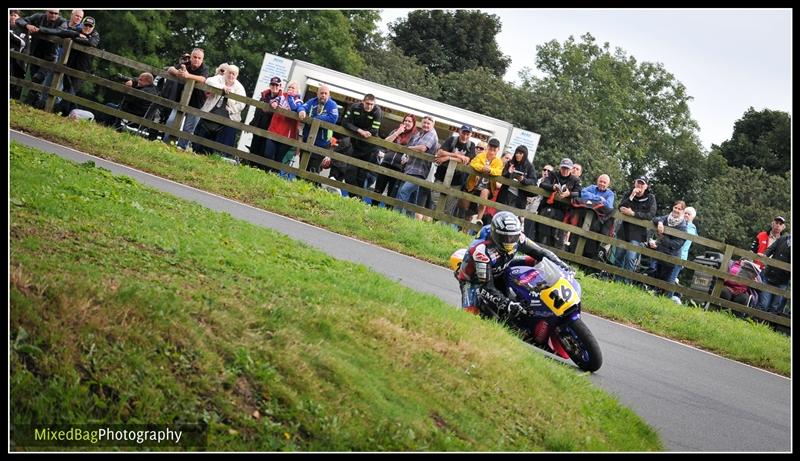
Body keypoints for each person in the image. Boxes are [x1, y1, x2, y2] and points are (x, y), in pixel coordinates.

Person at [455, 211, 572, 316]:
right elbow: (486, 286)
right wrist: (507, 304)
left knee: (535, 261)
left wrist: (562, 266)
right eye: (505, 237)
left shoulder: (519, 237)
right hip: (475, 280)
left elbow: (540, 252)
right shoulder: (481, 250)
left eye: (512, 237)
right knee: (470, 314)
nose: (510, 241)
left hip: (503, 266)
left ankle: (537, 294)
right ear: (495, 234)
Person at [192, 64, 246, 156]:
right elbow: (208, 81)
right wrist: (222, 88)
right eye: (229, 73)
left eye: (233, 74)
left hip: (227, 117)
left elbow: (242, 104)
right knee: (200, 139)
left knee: (220, 145)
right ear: (226, 72)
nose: (231, 75)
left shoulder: (239, 87)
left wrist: (231, 108)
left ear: (236, 75)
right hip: (211, 112)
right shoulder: (219, 78)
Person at [16, 9, 66, 104]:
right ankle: (34, 103)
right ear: (46, 12)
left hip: (50, 57)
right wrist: (27, 25)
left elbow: (59, 31)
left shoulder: (62, 21)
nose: (53, 15)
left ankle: (29, 101)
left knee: (38, 78)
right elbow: (19, 20)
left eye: (56, 13)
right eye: (51, 12)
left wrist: (40, 29)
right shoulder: (38, 17)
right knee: (35, 79)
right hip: (35, 53)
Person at [162, 48, 209, 149]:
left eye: (199, 58)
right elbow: (170, 69)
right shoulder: (186, 64)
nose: (196, 60)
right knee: (171, 121)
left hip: (196, 103)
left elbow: (203, 79)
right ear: (191, 57)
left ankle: (181, 148)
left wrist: (187, 75)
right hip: (181, 100)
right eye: (195, 57)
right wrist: (177, 73)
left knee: (188, 129)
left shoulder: (204, 68)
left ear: (202, 59)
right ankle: (166, 144)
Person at [614, 176, 657, 283]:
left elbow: (650, 214)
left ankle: (626, 283)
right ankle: (616, 280)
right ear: (635, 183)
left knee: (630, 257)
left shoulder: (651, 198)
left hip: (638, 234)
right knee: (618, 255)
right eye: (638, 183)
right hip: (624, 230)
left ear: (646, 186)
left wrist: (633, 213)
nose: (640, 186)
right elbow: (621, 207)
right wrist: (632, 195)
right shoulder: (629, 194)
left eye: (642, 184)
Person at [340, 93, 383, 195]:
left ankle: (356, 199)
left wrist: (364, 132)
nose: (370, 106)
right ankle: (353, 196)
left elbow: (374, 130)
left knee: (362, 175)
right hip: (355, 145)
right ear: (362, 102)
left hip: (369, 149)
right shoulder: (354, 107)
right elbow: (345, 122)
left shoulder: (377, 112)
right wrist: (359, 131)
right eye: (367, 103)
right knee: (349, 172)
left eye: (372, 104)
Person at [395, 115, 438, 218]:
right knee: (412, 199)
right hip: (410, 168)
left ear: (433, 125)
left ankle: (395, 216)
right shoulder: (420, 133)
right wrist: (407, 155)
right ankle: (410, 220)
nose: (426, 125)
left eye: (428, 123)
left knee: (403, 191)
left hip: (419, 171)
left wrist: (408, 149)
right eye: (424, 123)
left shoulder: (431, 134)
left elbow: (423, 148)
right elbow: (414, 148)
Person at [432, 124, 476, 218]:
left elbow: (466, 160)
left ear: (470, 135)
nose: (465, 136)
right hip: (441, 176)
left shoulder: (471, 145)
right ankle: (431, 224)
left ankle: (439, 226)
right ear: (460, 131)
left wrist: (447, 157)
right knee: (435, 201)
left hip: (456, 181)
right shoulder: (452, 140)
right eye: (463, 133)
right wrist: (458, 155)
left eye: (468, 134)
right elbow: (440, 152)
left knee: (448, 207)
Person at [373, 113, 418, 207]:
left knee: (392, 193)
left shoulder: (415, 136)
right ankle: (373, 206)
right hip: (386, 162)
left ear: (414, 124)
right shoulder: (396, 131)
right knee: (378, 189)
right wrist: (398, 132)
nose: (407, 123)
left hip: (399, 167)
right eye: (405, 121)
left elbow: (413, 151)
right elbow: (385, 142)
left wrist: (407, 157)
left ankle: (387, 212)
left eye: (409, 121)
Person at [536, 158, 581, 248]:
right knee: (542, 231)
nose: (565, 170)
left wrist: (569, 194)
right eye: (563, 168)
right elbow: (543, 184)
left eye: (567, 169)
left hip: (562, 210)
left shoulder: (575, 180)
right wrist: (553, 187)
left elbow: (579, 193)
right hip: (547, 206)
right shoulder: (553, 174)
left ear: (571, 169)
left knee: (556, 235)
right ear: (560, 167)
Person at [570, 174, 616, 259]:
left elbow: (609, 205)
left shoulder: (610, 194)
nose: (602, 184)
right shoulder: (591, 187)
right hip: (583, 218)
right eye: (600, 181)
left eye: (604, 182)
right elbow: (582, 193)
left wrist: (592, 199)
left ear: (608, 184)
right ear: (597, 181)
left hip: (598, 222)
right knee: (576, 238)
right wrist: (599, 199)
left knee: (591, 244)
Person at [297, 84, 339, 173]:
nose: (323, 95)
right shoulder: (312, 101)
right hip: (307, 139)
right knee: (302, 166)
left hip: (322, 143)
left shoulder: (332, 105)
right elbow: (302, 106)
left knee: (313, 169)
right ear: (317, 94)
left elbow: (333, 119)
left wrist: (315, 119)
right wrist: (302, 111)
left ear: (329, 94)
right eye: (321, 93)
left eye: (325, 93)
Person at [462, 137, 504, 224]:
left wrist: (490, 170)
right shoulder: (481, 156)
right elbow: (473, 163)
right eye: (490, 148)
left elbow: (499, 172)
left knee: (484, 192)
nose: (492, 150)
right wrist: (482, 168)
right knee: (465, 207)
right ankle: (464, 223)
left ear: (498, 149)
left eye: (494, 149)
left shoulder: (499, 161)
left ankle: (479, 219)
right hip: (473, 185)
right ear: (488, 147)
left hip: (487, 188)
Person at [645, 200, 688, 284]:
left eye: (679, 209)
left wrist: (662, 238)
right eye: (675, 207)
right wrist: (660, 222)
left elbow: (677, 244)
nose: (676, 210)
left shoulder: (683, 227)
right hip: (660, 253)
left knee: (665, 282)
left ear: (682, 211)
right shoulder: (667, 217)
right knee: (654, 276)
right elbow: (655, 219)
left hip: (671, 257)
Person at [264, 80, 303, 171]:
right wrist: (273, 103)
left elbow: (294, 108)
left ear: (297, 91)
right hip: (274, 129)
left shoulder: (299, 100)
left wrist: (290, 97)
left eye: (293, 88)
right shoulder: (282, 96)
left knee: (278, 158)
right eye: (289, 87)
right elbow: (273, 100)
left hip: (287, 134)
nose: (290, 89)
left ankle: (273, 175)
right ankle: (266, 172)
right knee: (268, 153)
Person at [248, 76, 283, 160]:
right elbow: (258, 111)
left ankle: (260, 168)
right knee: (254, 147)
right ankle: (250, 165)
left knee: (264, 151)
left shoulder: (282, 99)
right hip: (259, 125)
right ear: (269, 85)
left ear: (280, 86)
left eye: (276, 85)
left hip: (270, 129)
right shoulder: (264, 96)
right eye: (272, 84)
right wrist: (253, 122)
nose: (274, 87)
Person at [496, 145, 537, 212]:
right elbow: (502, 175)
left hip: (518, 198)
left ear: (525, 155)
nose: (518, 155)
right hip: (505, 194)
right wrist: (509, 172)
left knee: (511, 220)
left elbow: (533, 181)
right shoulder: (510, 163)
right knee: (499, 215)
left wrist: (523, 180)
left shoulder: (530, 166)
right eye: (517, 153)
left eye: (520, 153)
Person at [758, 234, 791, 315]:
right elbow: (771, 249)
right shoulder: (783, 239)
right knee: (764, 304)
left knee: (775, 308)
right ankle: (756, 323)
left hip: (783, 281)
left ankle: (768, 326)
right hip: (769, 276)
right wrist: (765, 255)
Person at [669, 206, 697, 285]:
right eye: (685, 213)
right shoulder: (678, 222)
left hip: (681, 256)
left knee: (672, 278)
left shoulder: (691, 228)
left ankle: (669, 295)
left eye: (689, 214)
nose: (686, 215)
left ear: (692, 217)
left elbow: (685, 239)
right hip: (671, 253)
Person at [9, 9, 28, 100]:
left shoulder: (22, 29)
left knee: (14, 78)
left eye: (15, 15)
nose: (12, 17)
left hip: (17, 60)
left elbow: (22, 43)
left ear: (19, 18)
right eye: (11, 15)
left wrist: (11, 35)